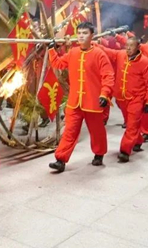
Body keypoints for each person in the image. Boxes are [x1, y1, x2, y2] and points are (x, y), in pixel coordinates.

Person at [47, 22, 115, 172]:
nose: (81, 36)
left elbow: (108, 76)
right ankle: (60, 159)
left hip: (93, 101)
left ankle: (99, 154)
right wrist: (52, 50)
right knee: (69, 131)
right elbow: (58, 63)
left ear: (92, 36)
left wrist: (104, 94)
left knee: (97, 131)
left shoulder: (99, 54)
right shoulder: (73, 52)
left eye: (85, 33)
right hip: (74, 102)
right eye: (79, 33)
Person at [98, 36, 148, 161]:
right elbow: (107, 51)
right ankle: (138, 140)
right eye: (127, 45)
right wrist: (95, 44)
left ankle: (125, 150)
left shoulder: (145, 62)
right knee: (131, 123)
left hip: (137, 98)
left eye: (131, 46)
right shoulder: (121, 55)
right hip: (121, 98)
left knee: (132, 124)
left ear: (138, 47)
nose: (128, 48)